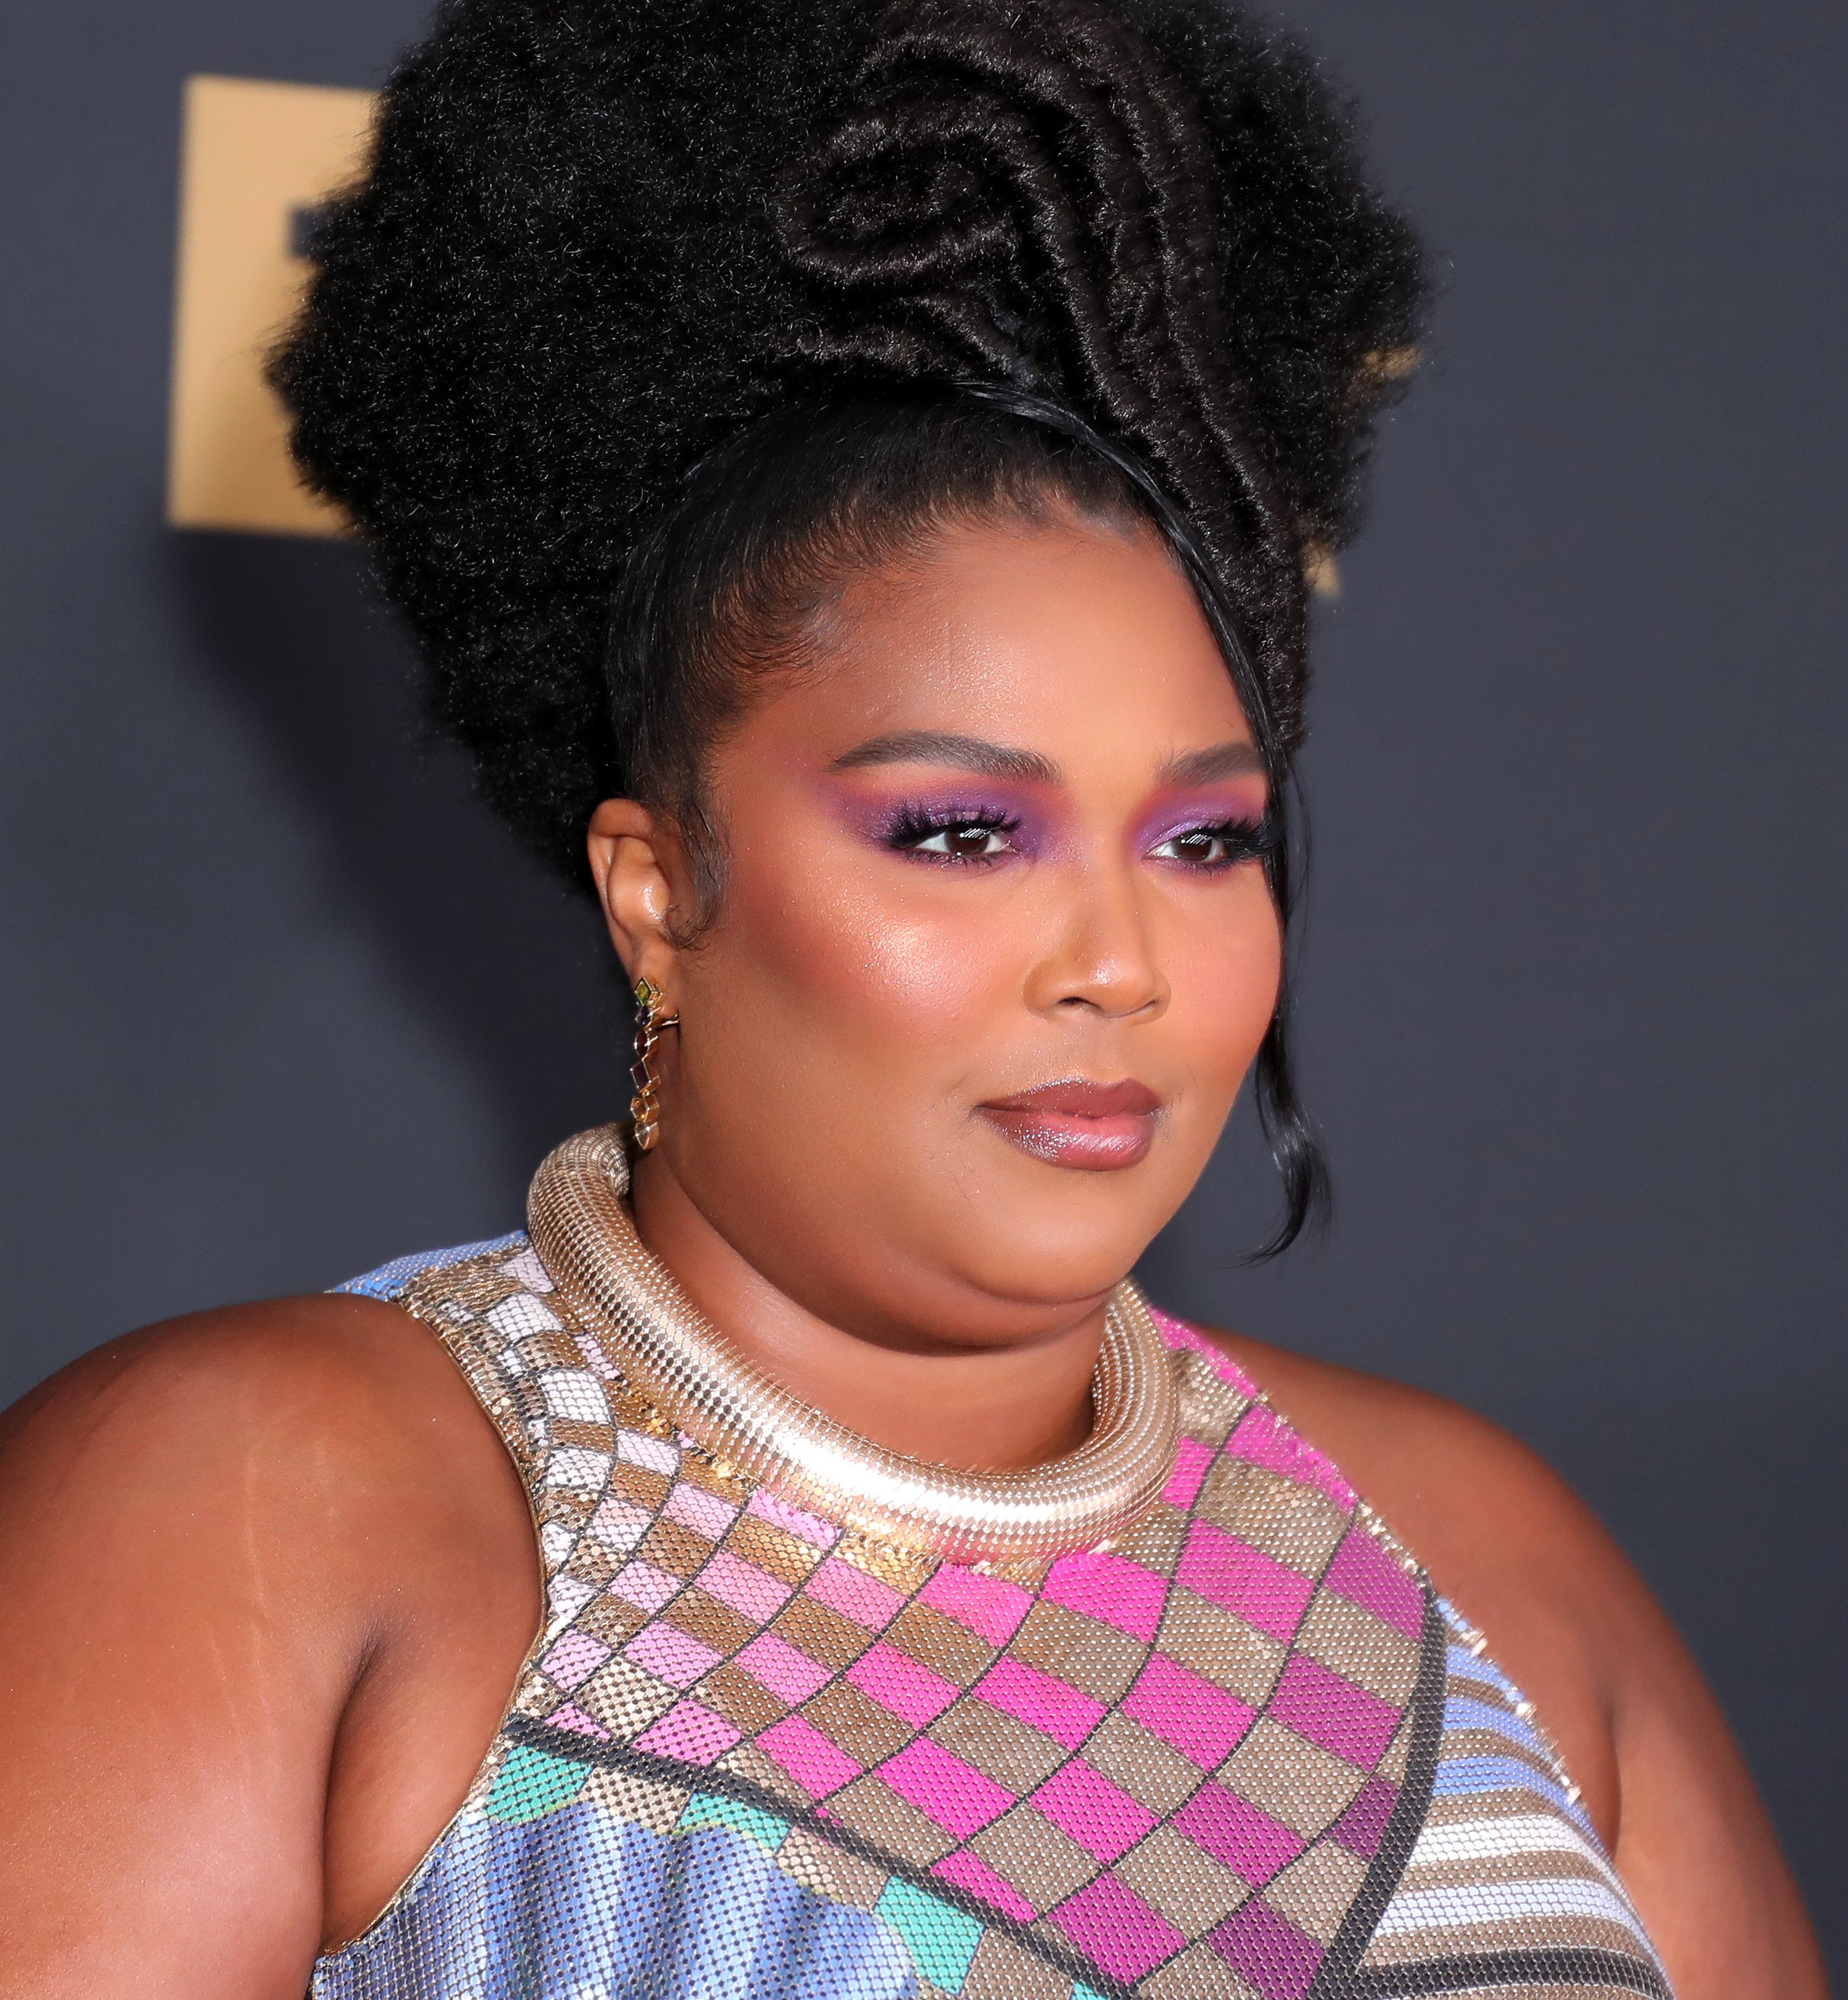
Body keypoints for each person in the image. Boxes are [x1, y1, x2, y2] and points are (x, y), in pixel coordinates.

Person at [0, 0, 1824, 1993]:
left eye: (1203, 839)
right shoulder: (258, 1502)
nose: (1116, 958)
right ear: (657, 890)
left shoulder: (1477, 1555)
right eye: (963, 830)